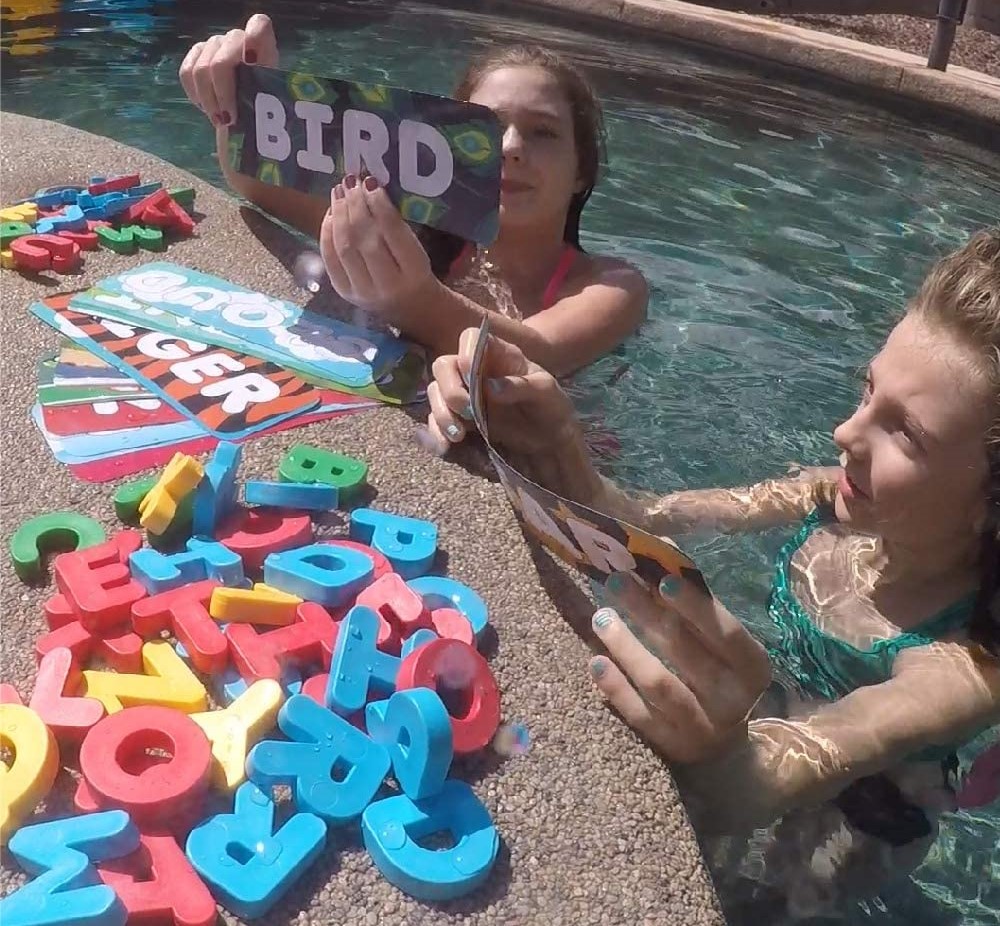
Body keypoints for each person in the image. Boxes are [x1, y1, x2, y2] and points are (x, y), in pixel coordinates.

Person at [425, 227, 1000, 915]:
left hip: (860, 816)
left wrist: (725, 759)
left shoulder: (964, 666)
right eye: (867, 389)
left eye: (904, 432)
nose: (846, 433)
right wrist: (553, 438)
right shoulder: (836, 496)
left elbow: (763, 785)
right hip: (774, 711)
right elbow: (645, 519)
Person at [178, 14, 648, 378]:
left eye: (543, 132)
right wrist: (244, 94)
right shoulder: (418, 234)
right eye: (489, 125)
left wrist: (411, 299)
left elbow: (539, 355)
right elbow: (259, 185)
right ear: (446, 140)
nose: (511, 148)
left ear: (581, 171)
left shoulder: (610, 286)